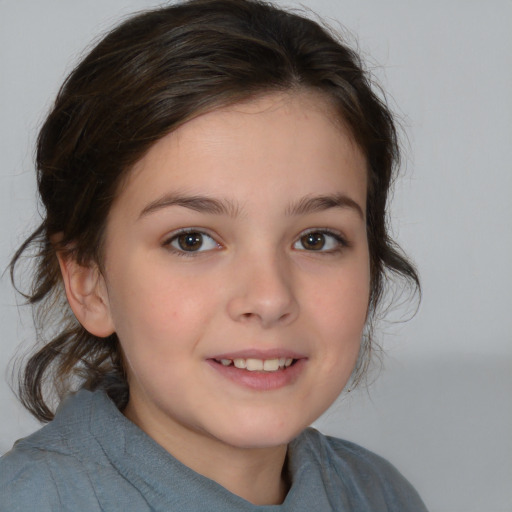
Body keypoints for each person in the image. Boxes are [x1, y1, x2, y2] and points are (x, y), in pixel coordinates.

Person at [0, 0, 427, 509]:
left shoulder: (381, 496)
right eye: (192, 240)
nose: (269, 298)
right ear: (88, 282)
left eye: (316, 239)